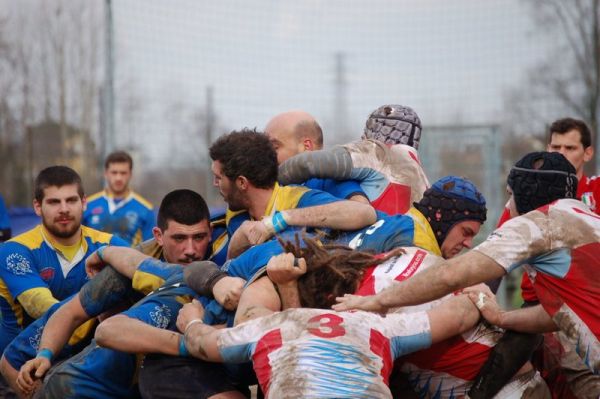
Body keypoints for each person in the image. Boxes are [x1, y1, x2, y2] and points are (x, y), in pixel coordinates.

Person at [334, 152, 600, 384]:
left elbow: (451, 276)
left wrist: (378, 301)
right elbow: (562, 312)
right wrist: (503, 318)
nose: (508, 205)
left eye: (511, 195)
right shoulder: (586, 217)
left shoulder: (537, 223)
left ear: (529, 194)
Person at [1, 190, 246, 398]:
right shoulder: (126, 269)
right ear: (159, 236)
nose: (190, 250)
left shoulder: (223, 262)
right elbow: (71, 313)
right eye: (179, 238)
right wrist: (44, 354)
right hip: (76, 382)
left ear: (210, 234)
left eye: (199, 237)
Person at [177, 241, 483, 399]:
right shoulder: (374, 326)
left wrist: (192, 321)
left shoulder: (265, 329)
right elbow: (460, 316)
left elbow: (203, 343)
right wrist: (477, 294)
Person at [0, 166, 127, 354]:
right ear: (37, 207)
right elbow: (40, 306)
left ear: (84, 203)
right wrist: (100, 307)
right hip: (20, 365)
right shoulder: (14, 250)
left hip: (84, 366)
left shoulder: (109, 244)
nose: (64, 209)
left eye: (71, 200)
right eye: (53, 202)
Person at [208, 128, 377, 262]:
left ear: (242, 183)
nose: (215, 184)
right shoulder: (234, 215)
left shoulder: (296, 198)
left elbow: (365, 213)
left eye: (218, 178)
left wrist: (282, 219)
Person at [278, 104, 430, 215]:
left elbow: (307, 164)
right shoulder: (423, 179)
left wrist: (268, 181)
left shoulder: (377, 152)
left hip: (377, 248)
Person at [83, 150, 155, 247]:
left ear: (130, 174)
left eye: (123, 173)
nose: (118, 178)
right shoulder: (87, 205)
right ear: (106, 174)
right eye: (114, 172)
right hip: (93, 261)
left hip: (130, 261)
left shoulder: (146, 209)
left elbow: (150, 250)